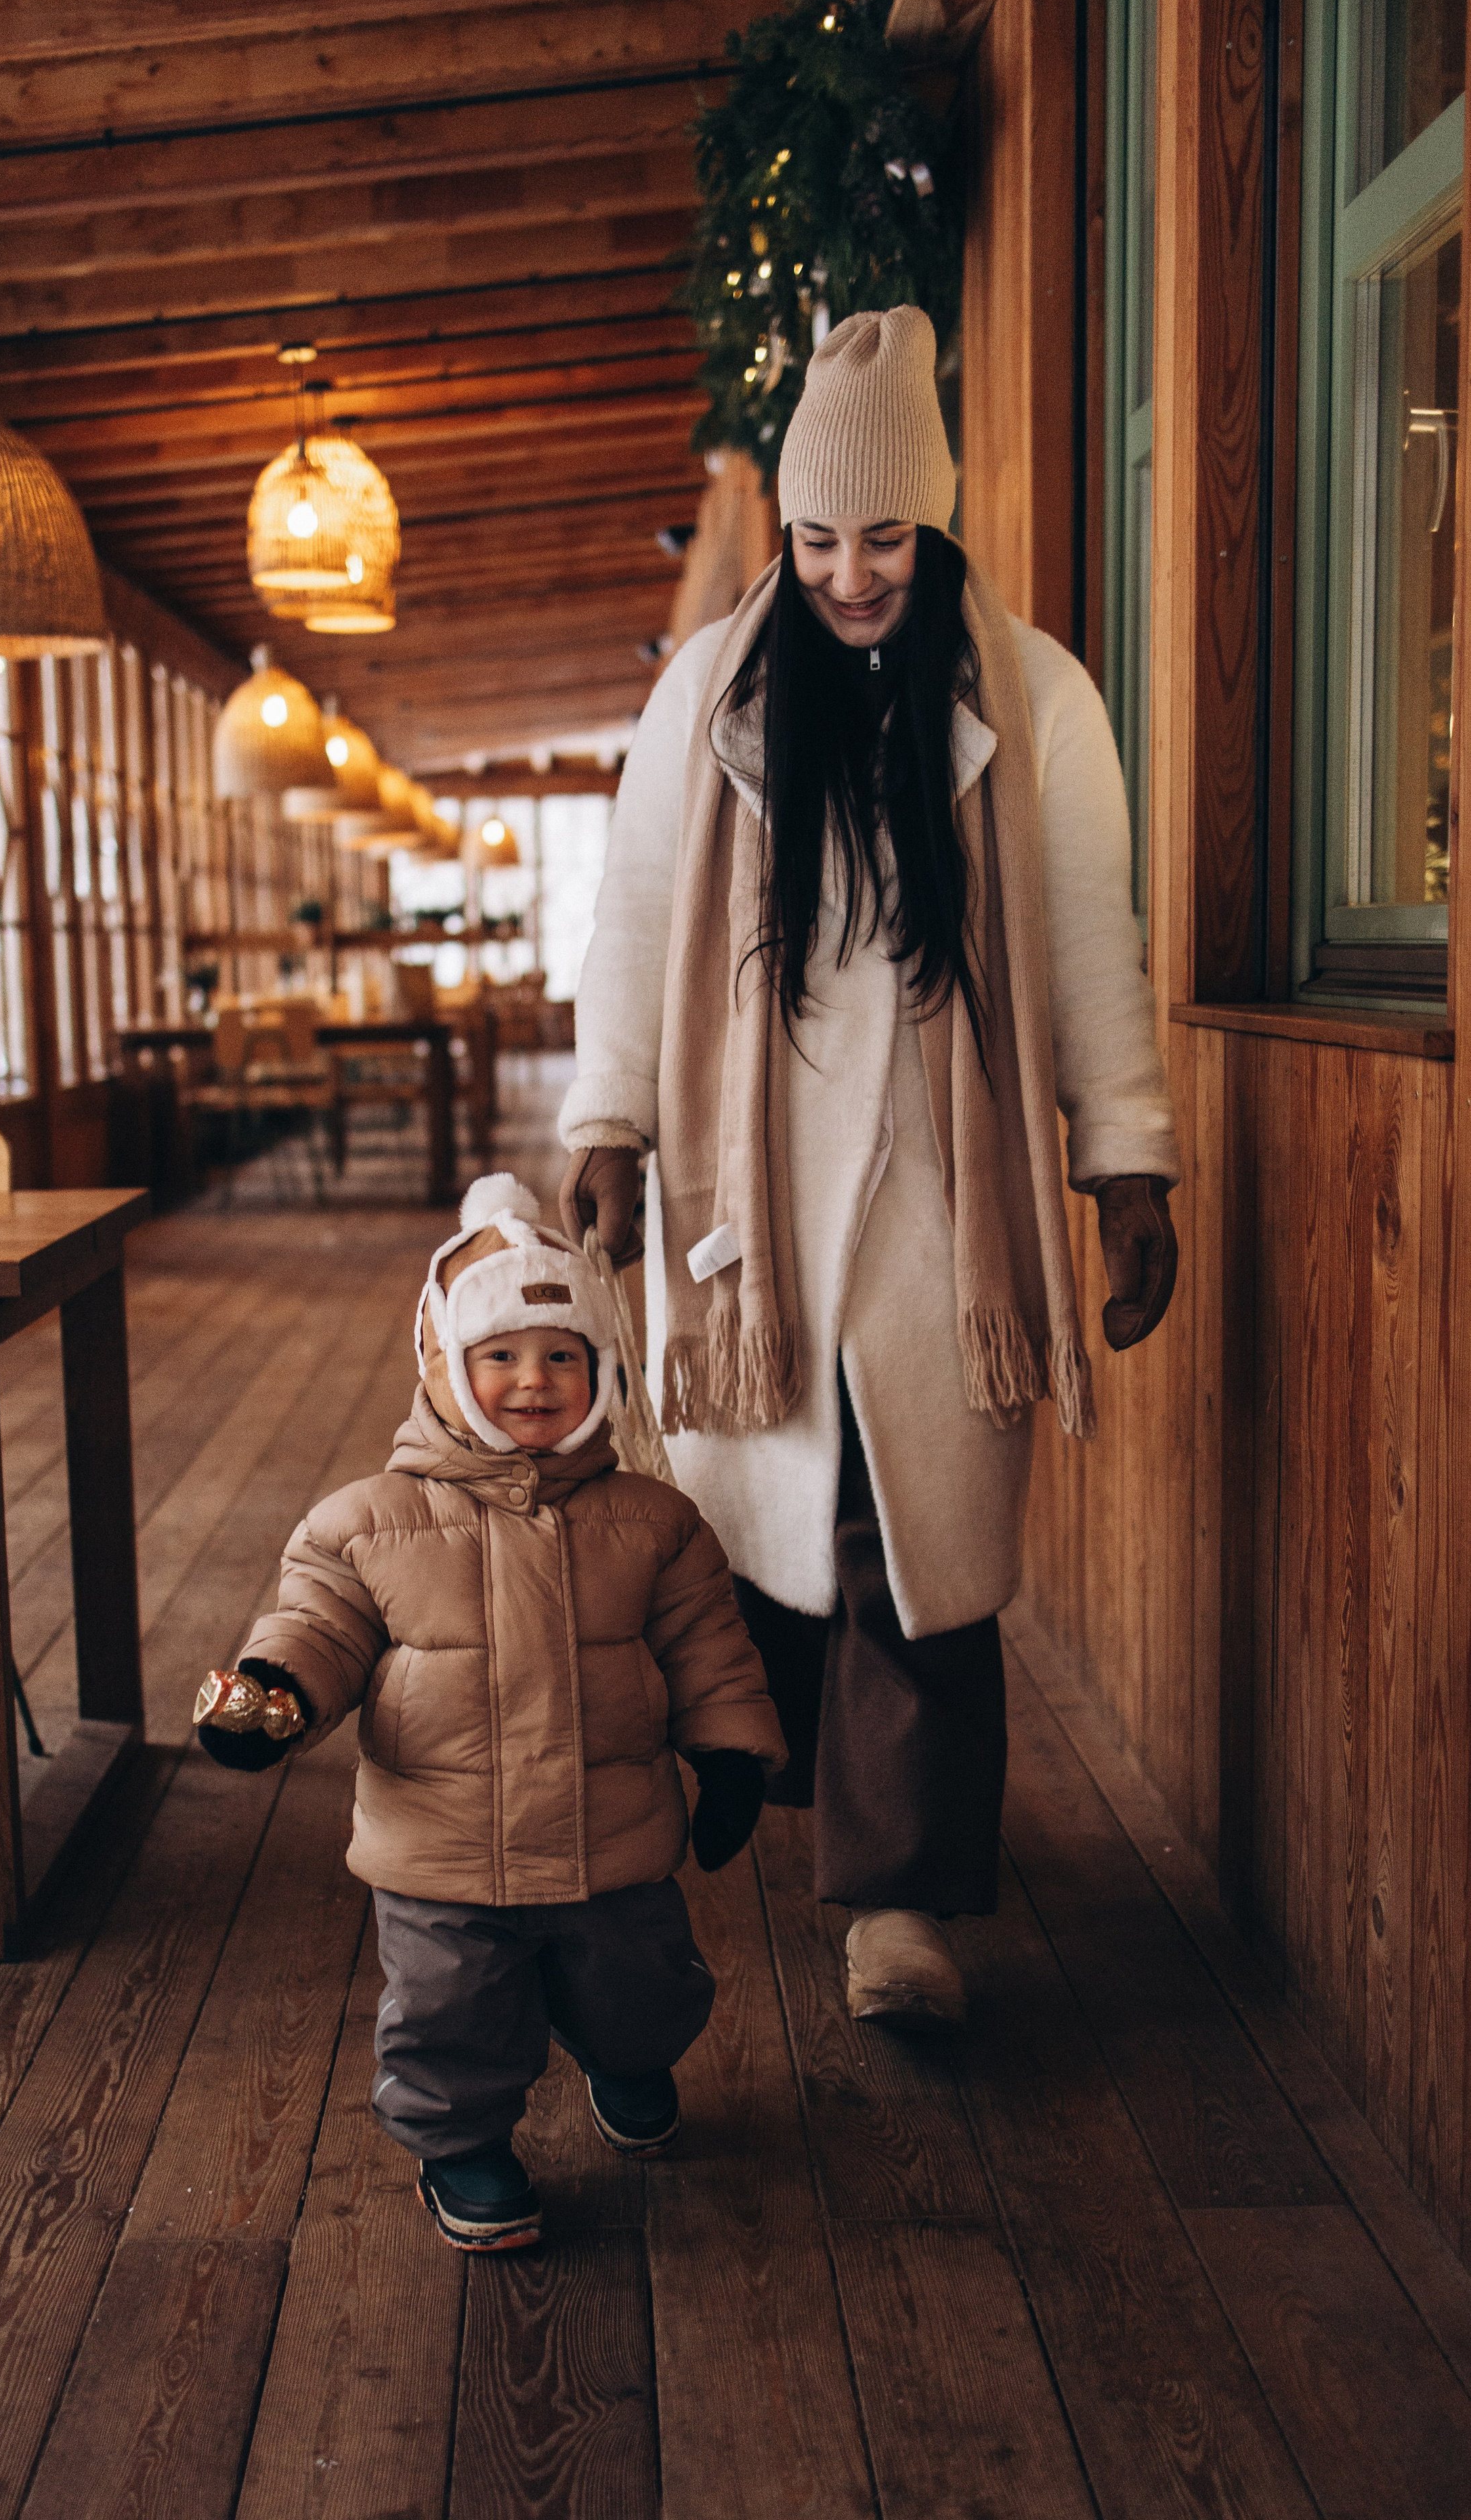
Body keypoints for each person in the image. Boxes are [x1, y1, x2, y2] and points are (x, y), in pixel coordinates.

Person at [559, 306, 1179, 2033]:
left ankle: (900, 1909)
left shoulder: (1031, 689)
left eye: (883, 536)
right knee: (760, 1529)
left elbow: (1086, 948)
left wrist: (1124, 1164)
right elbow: (625, 927)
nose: (849, 574)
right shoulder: (709, 688)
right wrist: (608, 1123)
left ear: (937, 518)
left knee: (909, 1540)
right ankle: (755, 1772)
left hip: (941, 1199)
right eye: (820, 538)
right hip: (742, 1199)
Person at [193, 1172, 785, 2254]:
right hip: (443, 1853)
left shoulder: (652, 1521)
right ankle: (462, 2144)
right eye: (499, 1355)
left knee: (643, 1987)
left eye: (563, 1356)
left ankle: (627, 2058)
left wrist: (734, 1752)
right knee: (449, 2014)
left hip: (613, 1838)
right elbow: (314, 1629)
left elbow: (708, 1643)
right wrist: (271, 1700)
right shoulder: (364, 1524)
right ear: (442, 1366)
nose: (532, 1381)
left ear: (602, 1370)